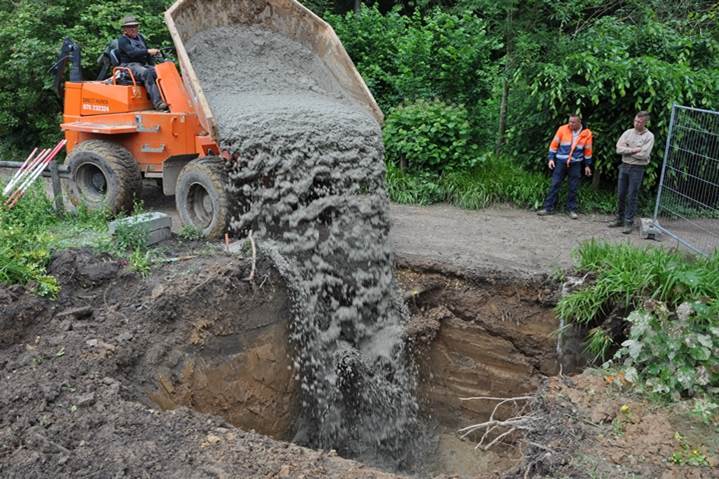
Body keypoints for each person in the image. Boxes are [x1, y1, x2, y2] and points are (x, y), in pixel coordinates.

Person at [537, 114, 593, 219]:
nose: (570, 124)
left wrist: (587, 165)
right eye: (569, 121)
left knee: (573, 187)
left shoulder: (587, 134)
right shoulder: (562, 129)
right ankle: (548, 208)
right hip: (561, 161)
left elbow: (588, 151)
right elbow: (554, 145)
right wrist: (551, 159)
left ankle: (571, 210)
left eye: (573, 122)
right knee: (555, 184)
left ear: (579, 122)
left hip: (576, 163)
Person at [610, 111, 655, 234]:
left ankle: (628, 222)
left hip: (637, 169)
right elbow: (619, 149)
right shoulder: (628, 133)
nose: (636, 123)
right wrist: (634, 150)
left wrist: (628, 150)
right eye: (635, 120)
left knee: (632, 196)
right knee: (621, 194)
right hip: (624, 166)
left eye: (640, 122)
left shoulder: (649, 136)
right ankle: (619, 219)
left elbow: (644, 154)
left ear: (646, 122)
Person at [116, 15, 168, 111]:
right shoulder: (122, 40)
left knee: (160, 71)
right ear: (125, 29)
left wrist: (153, 65)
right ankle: (158, 103)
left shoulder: (140, 37)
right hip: (129, 66)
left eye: (135, 26)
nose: (133, 29)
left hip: (142, 65)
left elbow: (147, 54)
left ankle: (170, 99)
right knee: (146, 73)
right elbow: (132, 53)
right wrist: (148, 51)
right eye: (130, 27)